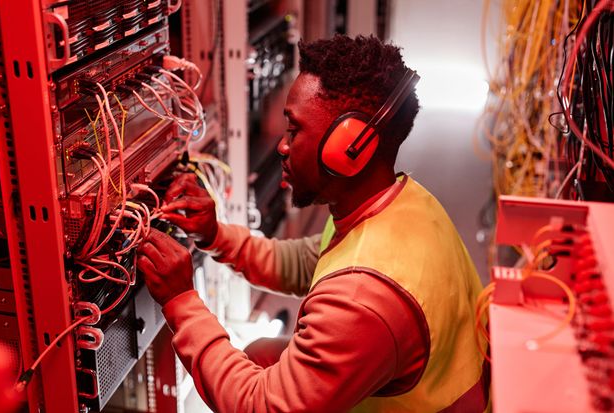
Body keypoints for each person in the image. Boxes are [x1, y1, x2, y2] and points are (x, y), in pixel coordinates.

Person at [138, 35, 489, 412]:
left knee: (260, 371)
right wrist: (214, 235)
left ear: (350, 148)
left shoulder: (362, 300)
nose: (282, 147)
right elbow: (305, 262)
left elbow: (259, 406)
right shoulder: (404, 203)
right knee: (262, 353)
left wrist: (182, 301)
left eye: (294, 129)